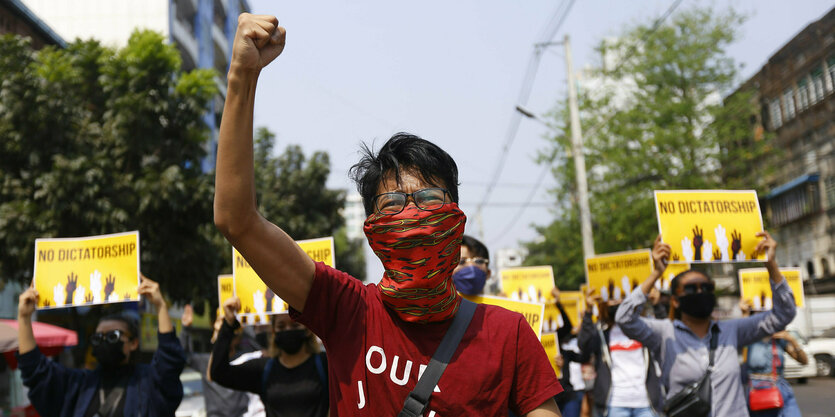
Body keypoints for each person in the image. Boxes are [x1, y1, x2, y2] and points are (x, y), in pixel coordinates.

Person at [213, 12, 563, 416]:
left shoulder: (509, 334)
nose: (412, 217)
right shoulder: (347, 310)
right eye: (393, 206)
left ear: (456, 218)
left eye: (429, 200)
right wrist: (242, 77)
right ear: (372, 232)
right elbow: (236, 220)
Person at [615, 233, 797, 417]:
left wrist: (771, 265)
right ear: (675, 301)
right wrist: (656, 273)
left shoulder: (731, 330)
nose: (700, 292)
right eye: (691, 289)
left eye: (707, 288)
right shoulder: (664, 334)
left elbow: (784, 314)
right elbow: (625, 318)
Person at [16, 276, 185, 417]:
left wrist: (161, 306)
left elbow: (169, 363)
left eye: (113, 336)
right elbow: (36, 373)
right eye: (98, 337)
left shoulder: (148, 383)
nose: (105, 341)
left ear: (133, 343)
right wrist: (24, 317)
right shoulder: (80, 385)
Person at [208, 296, 328, 417]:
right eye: (281, 326)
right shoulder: (263, 369)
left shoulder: (325, 364)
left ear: (307, 330)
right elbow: (219, 373)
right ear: (274, 332)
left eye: (294, 326)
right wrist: (227, 326)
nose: (288, 330)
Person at [578, 287, 663, 417]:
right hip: (615, 404)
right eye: (612, 298)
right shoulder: (602, 331)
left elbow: (666, 335)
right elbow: (584, 346)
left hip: (645, 403)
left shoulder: (643, 327)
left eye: (621, 296)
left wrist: (657, 304)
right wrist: (588, 311)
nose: (616, 301)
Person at [180, 304, 261, 417]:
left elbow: (262, 350)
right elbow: (183, 356)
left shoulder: (246, 359)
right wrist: (185, 329)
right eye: (220, 328)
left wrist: (243, 321)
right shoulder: (205, 361)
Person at [740, 300, 806, 417]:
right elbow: (743, 331)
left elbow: (803, 361)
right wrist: (744, 312)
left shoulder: (779, 340)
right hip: (757, 389)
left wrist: (792, 340)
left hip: (780, 387)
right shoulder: (751, 338)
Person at [552, 288, 591, 417]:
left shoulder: (566, 352)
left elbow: (584, 357)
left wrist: (559, 304)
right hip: (549, 398)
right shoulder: (532, 343)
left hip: (568, 395)